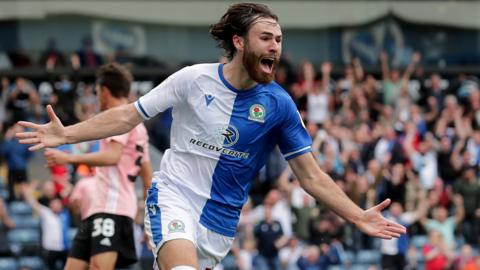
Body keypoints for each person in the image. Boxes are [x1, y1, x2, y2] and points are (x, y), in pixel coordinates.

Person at [16, 3, 406, 270]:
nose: (276, 46)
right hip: (174, 196)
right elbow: (128, 115)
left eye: (279, 39)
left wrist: (358, 216)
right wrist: (67, 135)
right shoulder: (192, 79)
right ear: (239, 41)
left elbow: (311, 176)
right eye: (267, 37)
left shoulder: (280, 104)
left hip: (220, 223)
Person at [42, 63, 153, 270]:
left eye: (97, 91)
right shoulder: (139, 126)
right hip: (100, 207)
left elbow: (113, 156)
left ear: (104, 91)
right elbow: (147, 179)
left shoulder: (119, 117)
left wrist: (68, 159)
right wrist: (150, 221)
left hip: (112, 207)